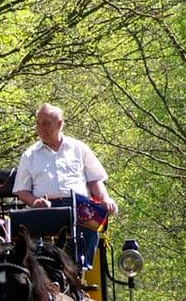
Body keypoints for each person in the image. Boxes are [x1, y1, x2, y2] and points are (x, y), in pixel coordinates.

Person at [12, 103, 118, 267]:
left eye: (46, 123)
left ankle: (80, 268)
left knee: (95, 219)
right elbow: (22, 191)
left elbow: (95, 180)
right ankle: (48, 268)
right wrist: (35, 202)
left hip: (79, 205)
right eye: (38, 124)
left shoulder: (79, 148)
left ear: (60, 124)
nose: (40, 128)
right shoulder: (29, 155)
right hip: (46, 208)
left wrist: (105, 198)